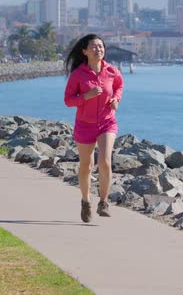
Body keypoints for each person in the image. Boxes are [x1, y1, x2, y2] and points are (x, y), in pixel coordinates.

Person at [64, 34, 123, 223]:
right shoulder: (78, 75)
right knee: (86, 166)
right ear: (85, 51)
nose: (99, 49)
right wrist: (86, 96)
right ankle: (85, 201)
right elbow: (68, 100)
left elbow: (119, 86)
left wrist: (116, 100)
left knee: (105, 162)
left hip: (107, 122)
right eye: (94, 47)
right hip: (84, 124)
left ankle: (104, 202)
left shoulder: (112, 71)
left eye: (101, 46)